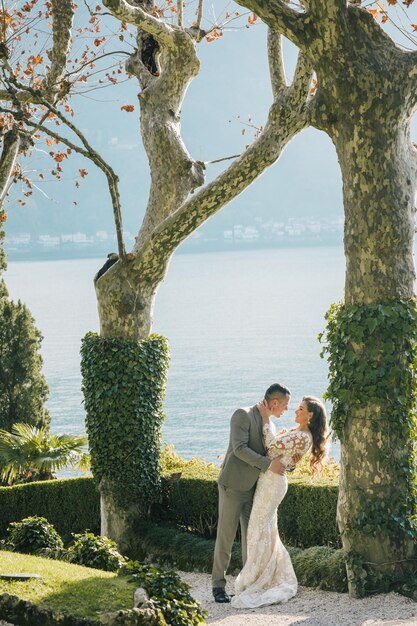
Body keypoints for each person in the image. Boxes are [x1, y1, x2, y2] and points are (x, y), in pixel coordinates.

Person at [231, 395, 328, 609]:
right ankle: (263, 574)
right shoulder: (301, 434)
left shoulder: (303, 436)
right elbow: (280, 453)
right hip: (270, 481)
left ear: (310, 415)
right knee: (265, 530)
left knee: (258, 528)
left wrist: (266, 419)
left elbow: (271, 445)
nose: (295, 411)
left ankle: (259, 578)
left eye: (300, 408)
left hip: (273, 483)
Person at [211, 383, 291, 604]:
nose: (285, 410)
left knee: (252, 538)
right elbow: (239, 449)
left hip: (255, 489)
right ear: (274, 403)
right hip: (233, 486)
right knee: (225, 537)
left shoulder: (269, 423)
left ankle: (247, 584)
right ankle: (218, 586)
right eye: (285, 405)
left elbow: (271, 448)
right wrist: (268, 464)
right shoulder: (242, 415)